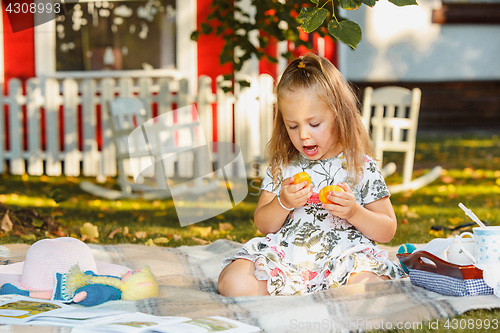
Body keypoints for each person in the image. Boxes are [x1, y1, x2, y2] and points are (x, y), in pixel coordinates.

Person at [218, 53, 406, 297]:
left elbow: (387, 230)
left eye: (315, 124)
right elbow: (263, 224)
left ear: (339, 116)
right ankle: (306, 292)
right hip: (289, 258)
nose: (304, 135)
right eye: (293, 126)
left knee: (368, 288)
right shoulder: (282, 165)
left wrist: (354, 212)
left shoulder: (360, 166)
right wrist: (283, 202)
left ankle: (333, 295)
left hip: (343, 260)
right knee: (232, 283)